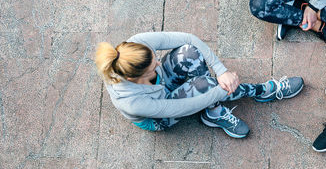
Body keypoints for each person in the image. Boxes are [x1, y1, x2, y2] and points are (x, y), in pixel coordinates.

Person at [95, 32, 304, 138]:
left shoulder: (134, 47)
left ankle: (213, 112)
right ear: (134, 78)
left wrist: (221, 72)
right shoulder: (131, 102)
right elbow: (184, 107)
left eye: (155, 58)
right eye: (153, 67)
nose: (159, 63)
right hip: (159, 115)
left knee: (188, 52)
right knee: (203, 86)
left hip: (161, 90)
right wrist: (219, 90)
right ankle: (262, 91)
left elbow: (189, 39)